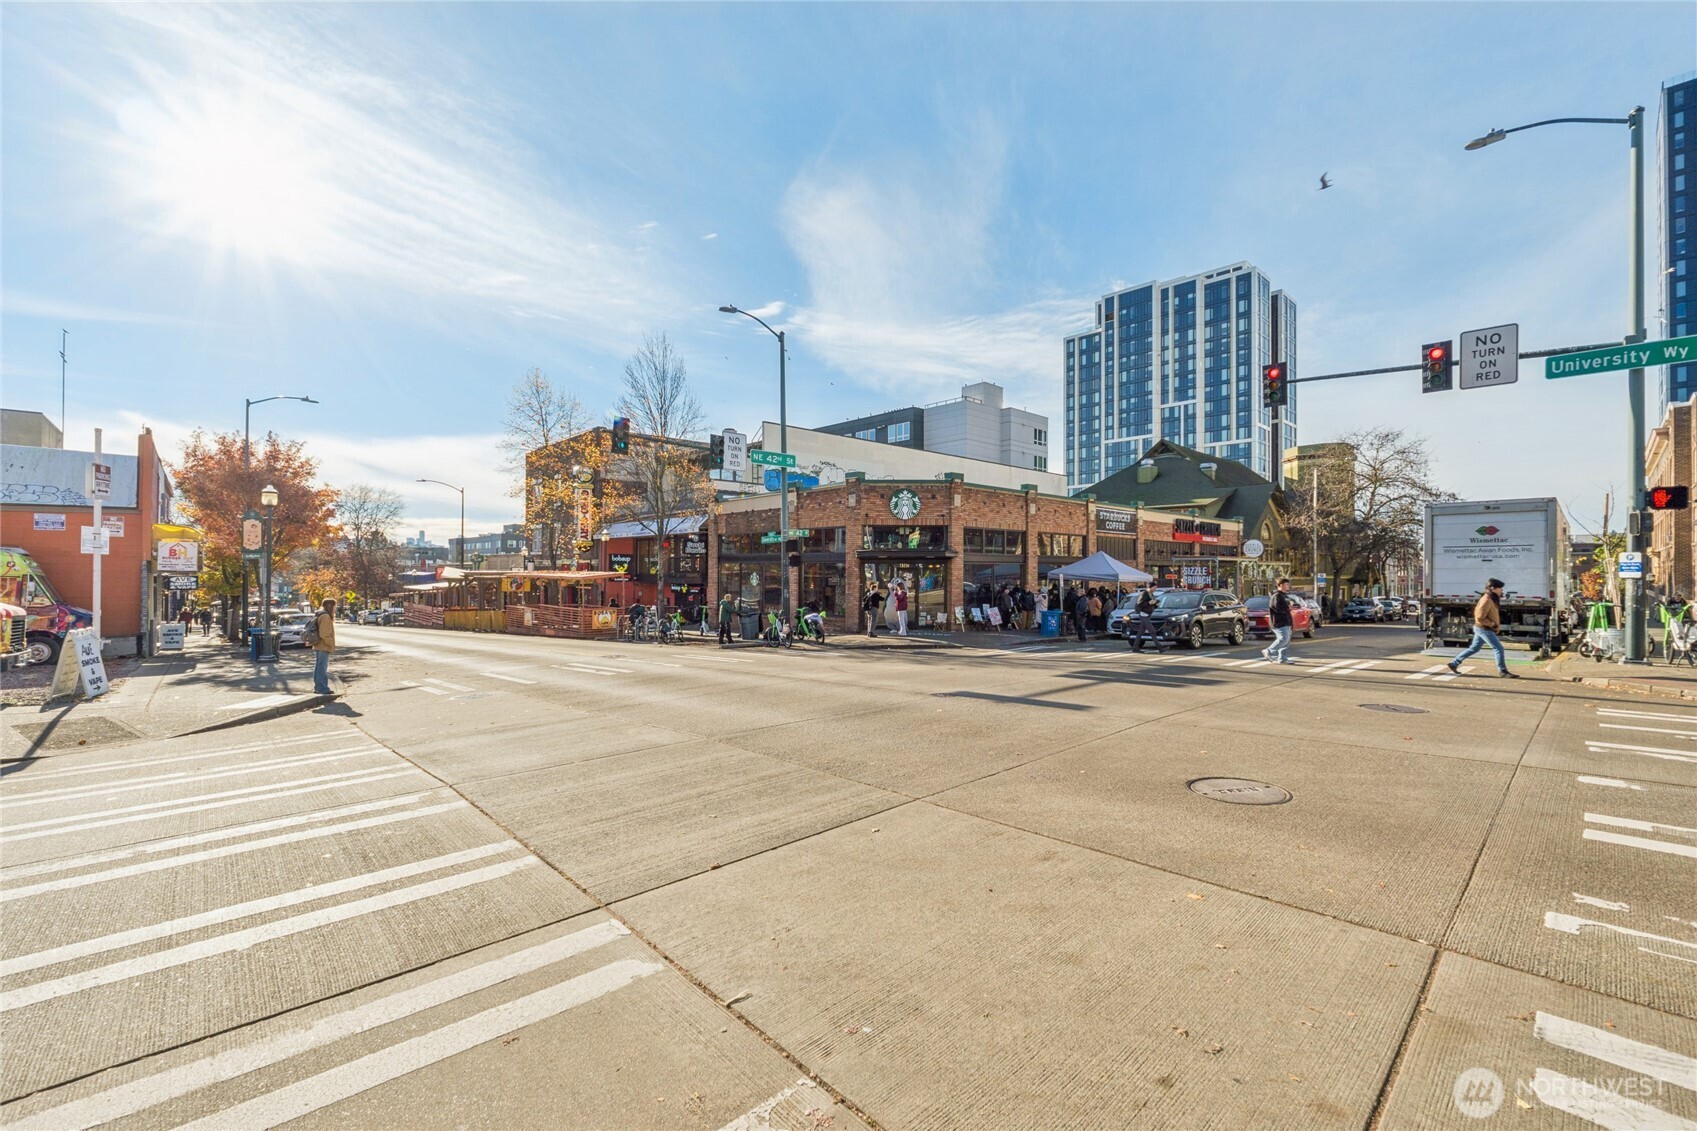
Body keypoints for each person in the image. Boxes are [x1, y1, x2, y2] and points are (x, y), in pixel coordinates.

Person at [1447, 578, 1518, 678]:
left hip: (1482, 628)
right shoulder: (1486, 600)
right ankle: (1503, 671)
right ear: (1493, 588)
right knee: (1498, 648)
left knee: (1474, 648)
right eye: (1500, 588)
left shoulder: (1491, 598)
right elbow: (1479, 617)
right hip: (1484, 628)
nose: (1501, 590)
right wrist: (1492, 624)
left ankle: (1454, 663)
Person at [1262, 577, 1296, 665]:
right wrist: (1287, 607)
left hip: (1286, 621)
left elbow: (1284, 608)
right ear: (1280, 585)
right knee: (1283, 638)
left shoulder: (1283, 595)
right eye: (1286, 584)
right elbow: (1277, 608)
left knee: (1286, 640)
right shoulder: (1276, 596)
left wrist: (1288, 606)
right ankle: (1268, 651)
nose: (1288, 586)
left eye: (1288, 584)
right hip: (1279, 622)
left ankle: (1282, 659)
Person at [310, 597, 338, 696]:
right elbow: (324, 634)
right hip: (324, 645)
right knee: (322, 667)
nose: (335, 608)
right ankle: (322, 688)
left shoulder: (320, 614)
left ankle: (318, 687)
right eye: (334, 606)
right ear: (331, 606)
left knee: (319, 666)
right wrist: (330, 643)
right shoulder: (326, 617)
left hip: (319, 644)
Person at [1128, 581, 1158, 651]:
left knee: (1140, 632)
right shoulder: (1144, 593)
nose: (1155, 589)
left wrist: (1156, 604)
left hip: (1148, 614)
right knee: (1152, 631)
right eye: (1154, 587)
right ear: (1150, 587)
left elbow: (1152, 605)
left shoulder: (1152, 594)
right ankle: (1159, 647)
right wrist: (1149, 603)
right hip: (1143, 614)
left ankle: (1135, 647)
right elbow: (1139, 604)